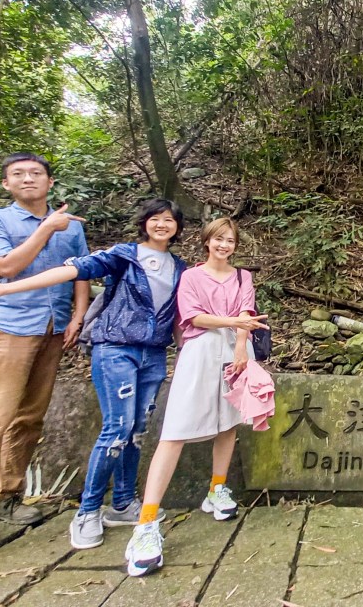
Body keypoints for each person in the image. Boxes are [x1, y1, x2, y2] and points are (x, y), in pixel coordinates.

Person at [0, 199, 188, 551]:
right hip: (115, 348)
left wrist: (185, 352)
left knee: (136, 430)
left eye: (169, 220)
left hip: (152, 353)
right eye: (155, 218)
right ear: (144, 223)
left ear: (178, 227)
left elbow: (178, 315)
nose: (162, 224)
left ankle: (123, 503)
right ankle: (87, 511)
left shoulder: (180, 267)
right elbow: (72, 270)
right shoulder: (124, 255)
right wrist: (6, 287)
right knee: (117, 429)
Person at [0, 152, 90, 569]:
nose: (28, 178)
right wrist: (45, 229)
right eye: (18, 174)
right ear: (6, 183)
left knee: (29, 418)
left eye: (36, 173)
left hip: (52, 327)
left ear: (50, 181)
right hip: (5, 327)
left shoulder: (71, 226)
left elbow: (81, 271)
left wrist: (78, 315)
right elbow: (7, 267)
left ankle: (8, 496)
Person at [125, 217, 268, 577]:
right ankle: (146, 522)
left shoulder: (242, 277)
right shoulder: (190, 276)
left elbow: (247, 313)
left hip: (236, 350)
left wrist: (241, 346)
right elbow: (194, 317)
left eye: (230, 240)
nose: (224, 245)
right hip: (200, 351)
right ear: (207, 241)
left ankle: (217, 488)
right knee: (175, 431)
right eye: (218, 239)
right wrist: (234, 323)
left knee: (229, 423)